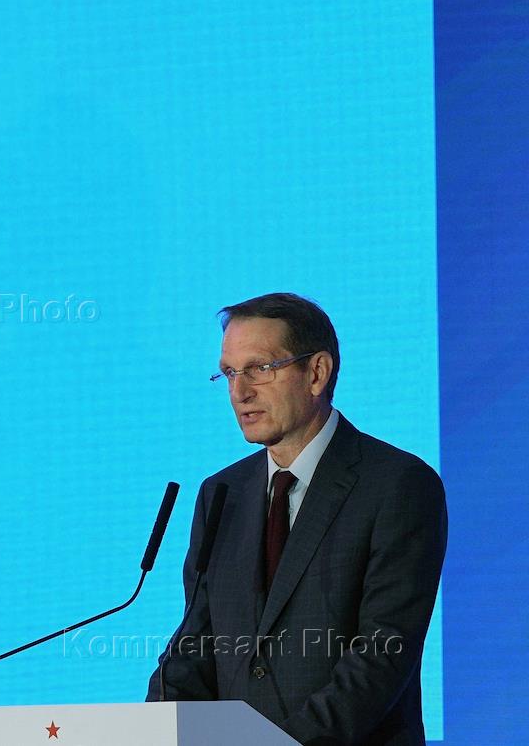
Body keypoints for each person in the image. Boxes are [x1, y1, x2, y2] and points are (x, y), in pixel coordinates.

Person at [147, 293, 446, 745]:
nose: (239, 392)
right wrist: (153, 729)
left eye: (259, 368)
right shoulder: (221, 494)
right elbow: (195, 647)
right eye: (229, 372)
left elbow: (381, 657)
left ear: (317, 373)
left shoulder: (397, 485)